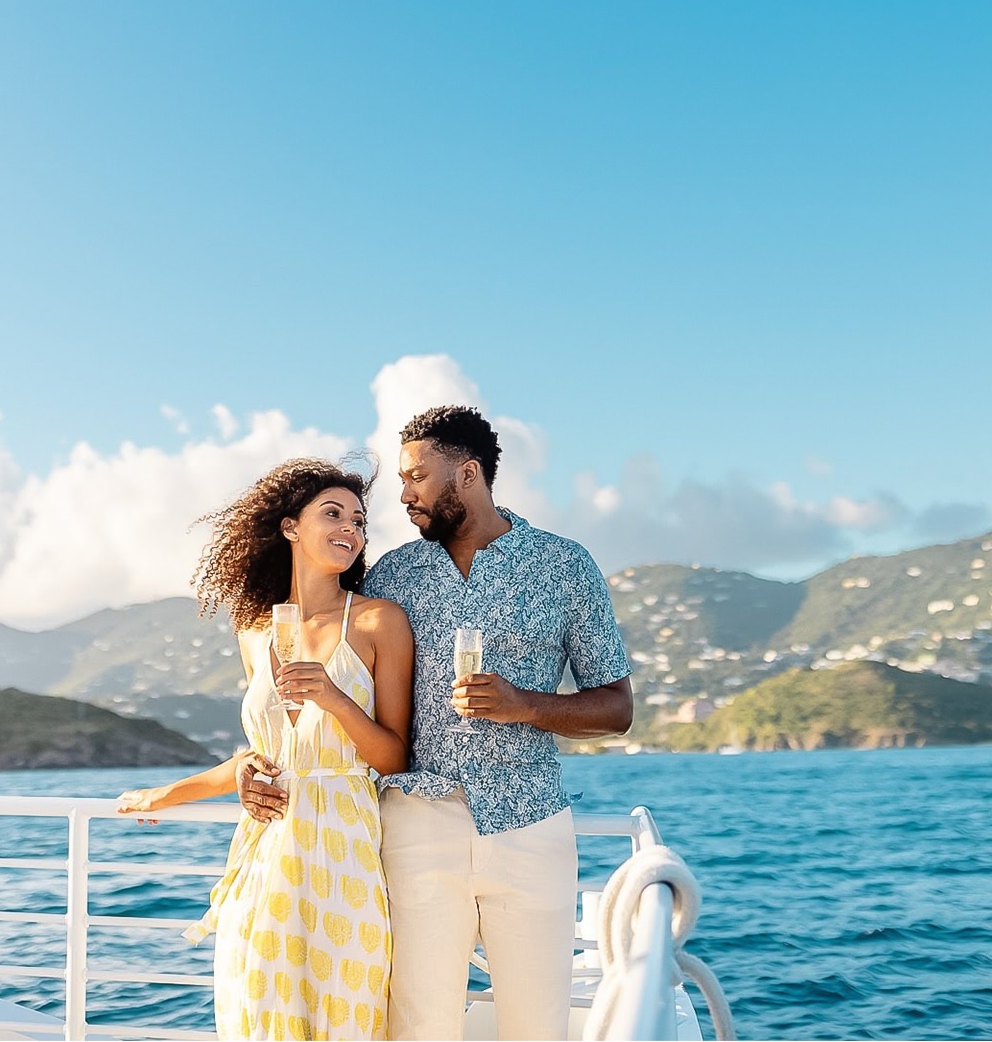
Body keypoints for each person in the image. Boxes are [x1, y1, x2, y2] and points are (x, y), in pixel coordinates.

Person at [246, 406, 633, 1040]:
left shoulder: (564, 566)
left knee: (538, 1026)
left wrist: (526, 704)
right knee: (420, 1026)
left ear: (469, 473)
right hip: (414, 825)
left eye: (417, 478)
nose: (404, 496)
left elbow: (616, 708)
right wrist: (256, 769)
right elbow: (316, 630)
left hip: (531, 823)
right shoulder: (393, 575)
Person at [118, 458, 414, 1041]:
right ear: (289, 528)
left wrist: (335, 698)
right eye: (332, 513)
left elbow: (393, 758)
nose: (350, 530)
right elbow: (263, 753)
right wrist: (169, 793)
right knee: (257, 1012)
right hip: (266, 854)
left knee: (344, 1016)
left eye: (359, 521)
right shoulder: (254, 629)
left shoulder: (379, 621)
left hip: (344, 853)